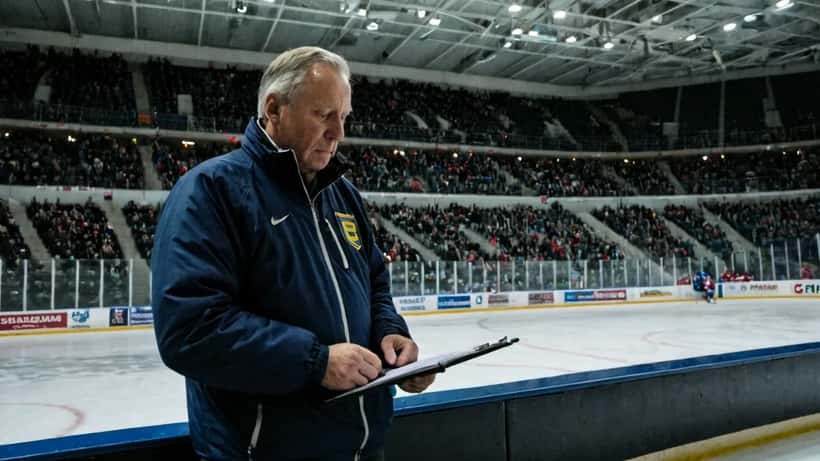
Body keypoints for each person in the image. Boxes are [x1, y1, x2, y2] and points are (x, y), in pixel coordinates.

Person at [151, 47, 434, 461]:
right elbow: (189, 329)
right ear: (274, 108)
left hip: (361, 449)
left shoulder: (343, 194)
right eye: (324, 115)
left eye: (344, 117)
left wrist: (390, 333)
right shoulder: (212, 191)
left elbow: (373, 280)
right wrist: (315, 362)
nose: (339, 132)